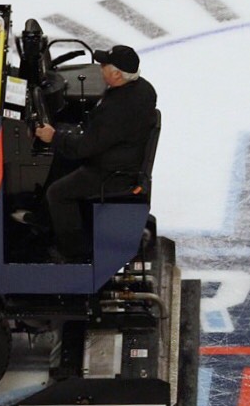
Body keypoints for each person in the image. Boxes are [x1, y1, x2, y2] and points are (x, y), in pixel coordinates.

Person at [32, 45, 157, 261]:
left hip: (111, 171)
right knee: (62, 160)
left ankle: (74, 252)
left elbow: (84, 148)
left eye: (105, 66)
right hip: (122, 155)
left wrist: (54, 136)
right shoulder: (143, 88)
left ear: (117, 74)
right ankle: (48, 218)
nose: (100, 68)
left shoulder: (118, 107)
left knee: (57, 193)